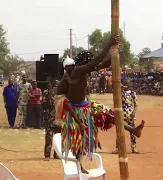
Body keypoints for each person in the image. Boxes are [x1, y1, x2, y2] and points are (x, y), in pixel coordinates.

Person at [58, 36, 144, 174]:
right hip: (76, 110)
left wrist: (116, 54)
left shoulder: (81, 70)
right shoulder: (77, 71)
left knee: (111, 114)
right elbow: (97, 60)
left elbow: (102, 64)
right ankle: (79, 166)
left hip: (87, 106)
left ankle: (133, 130)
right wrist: (109, 44)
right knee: (79, 141)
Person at [112, 78, 140, 154]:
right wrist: (120, 88)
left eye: (128, 83)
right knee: (120, 132)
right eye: (125, 83)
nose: (126, 85)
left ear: (130, 84)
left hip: (130, 115)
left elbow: (136, 104)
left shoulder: (133, 93)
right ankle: (118, 148)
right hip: (122, 114)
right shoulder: (120, 93)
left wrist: (134, 112)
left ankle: (134, 148)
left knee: (132, 132)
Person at [43, 81, 60, 161]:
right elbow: (45, 105)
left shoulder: (62, 95)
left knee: (59, 138)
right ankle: (47, 155)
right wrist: (50, 95)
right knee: (49, 138)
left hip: (59, 120)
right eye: (54, 86)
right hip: (50, 119)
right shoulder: (46, 93)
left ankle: (57, 154)